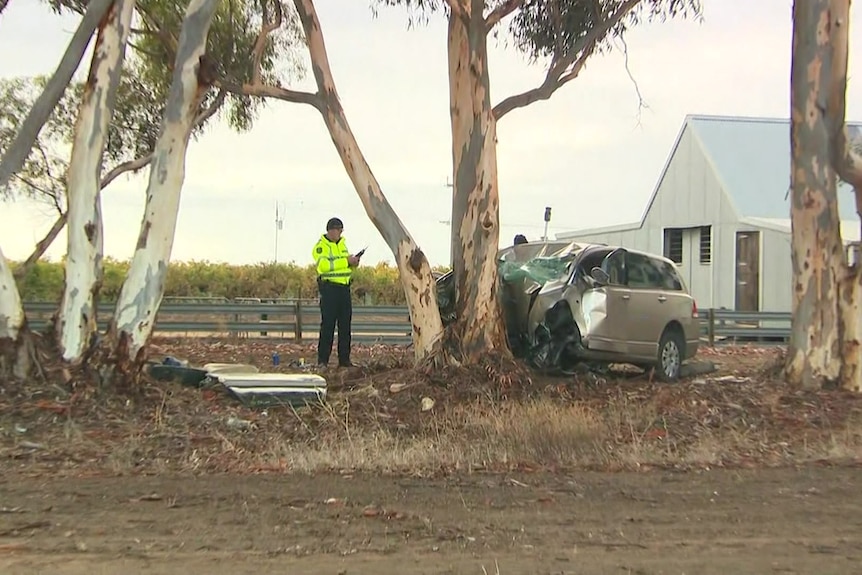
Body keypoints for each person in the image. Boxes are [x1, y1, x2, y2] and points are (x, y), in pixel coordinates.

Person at [312, 217, 361, 368]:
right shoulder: (321, 247)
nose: (338, 233)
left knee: (345, 326)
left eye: (340, 231)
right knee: (328, 326)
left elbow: (343, 267)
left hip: (344, 289)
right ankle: (323, 361)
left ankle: (344, 360)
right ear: (330, 230)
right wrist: (346, 261)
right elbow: (324, 266)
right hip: (329, 290)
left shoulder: (343, 245)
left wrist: (353, 264)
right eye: (337, 230)